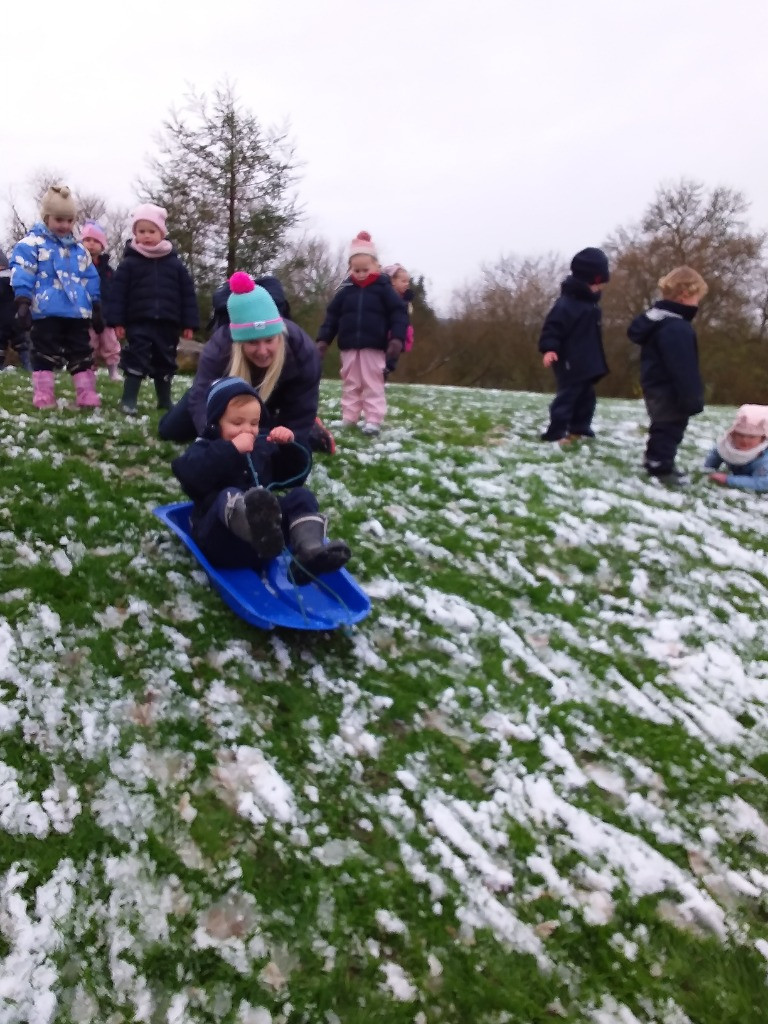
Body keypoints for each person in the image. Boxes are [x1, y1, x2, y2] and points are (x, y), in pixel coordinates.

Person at [171, 376, 351, 583]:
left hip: (269, 545)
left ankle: (310, 552)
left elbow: (293, 476)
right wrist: (231, 449)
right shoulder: (205, 448)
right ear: (214, 423)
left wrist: (288, 447)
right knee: (228, 495)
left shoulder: (261, 444)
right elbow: (189, 474)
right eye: (237, 422)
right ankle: (255, 528)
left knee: (301, 497)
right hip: (220, 540)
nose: (247, 429)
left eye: (254, 423)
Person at [158, 272, 327, 458]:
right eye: (253, 342)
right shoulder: (218, 350)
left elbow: (300, 411)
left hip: (278, 398)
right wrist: (221, 442)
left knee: (275, 441)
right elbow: (201, 399)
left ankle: (314, 429)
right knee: (169, 430)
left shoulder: (304, 352)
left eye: (269, 340)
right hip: (221, 394)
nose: (263, 351)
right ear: (239, 343)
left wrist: (290, 438)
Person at [10, 185, 102, 408]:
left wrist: (96, 304)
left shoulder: (79, 251)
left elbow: (89, 277)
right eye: (59, 220)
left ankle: (86, 394)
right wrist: (23, 300)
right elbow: (23, 271)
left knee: (82, 352)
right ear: (47, 217)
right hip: (46, 310)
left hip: (77, 311)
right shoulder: (32, 245)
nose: (64, 226)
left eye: (69, 221)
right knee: (44, 353)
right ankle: (43, 394)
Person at [106, 203, 199, 415]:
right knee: (136, 358)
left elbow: (187, 295)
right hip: (138, 322)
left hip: (168, 323)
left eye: (151, 231)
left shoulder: (175, 265)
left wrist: (189, 323)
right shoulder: (129, 263)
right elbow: (118, 294)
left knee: (165, 360)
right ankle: (129, 399)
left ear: (161, 233)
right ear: (135, 233)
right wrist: (117, 322)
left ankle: (164, 400)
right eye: (141, 231)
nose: (146, 236)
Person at [316, 230, 408, 436]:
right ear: (350, 269)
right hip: (349, 346)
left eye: (365, 269)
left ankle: (373, 419)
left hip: (374, 346)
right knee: (351, 383)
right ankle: (349, 417)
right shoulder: (345, 292)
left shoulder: (384, 290)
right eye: (356, 270)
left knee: (372, 382)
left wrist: (397, 338)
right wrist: (323, 340)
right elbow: (331, 317)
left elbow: (399, 314)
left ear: (376, 266)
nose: (360, 274)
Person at [627, 266, 708, 485]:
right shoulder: (676, 328)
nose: (697, 304)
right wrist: (692, 396)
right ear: (684, 296)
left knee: (662, 425)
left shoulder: (658, 321)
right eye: (696, 298)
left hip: (655, 385)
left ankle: (656, 460)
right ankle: (660, 465)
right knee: (670, 427)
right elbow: (683, 366)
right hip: (670, 389)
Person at [538, 247, 610, 443]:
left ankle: (580, 428)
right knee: (567, 398)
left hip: (587, 362)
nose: (600, 289)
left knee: (587, 399)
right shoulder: (566, 304)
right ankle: (556, 431)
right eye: (599, 284)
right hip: (570, 361)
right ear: (591, 280)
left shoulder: (591, 305)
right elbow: (552, 328)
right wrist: (549, 348)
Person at [81, 221, 121, 381]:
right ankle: (89, 372)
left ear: (102, 245)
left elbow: (115, 293)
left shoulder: (109, 271)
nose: (91, 244)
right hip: (86, 315)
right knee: (89, 345)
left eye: (95, 241)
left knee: (111, 345)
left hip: (106, 316)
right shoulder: (78, 267)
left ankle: (113, 371)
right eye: (87, 240)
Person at [704, 404, 768, 492]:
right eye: (740, 435)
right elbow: (717, 453)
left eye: (752, 437)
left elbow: (763, 483)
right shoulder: (727, 446)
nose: (745, 440)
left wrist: (728, 480)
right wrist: (709, 468)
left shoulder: (763, 458)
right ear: (733, 434)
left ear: (762, 438)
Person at [0, 247, 31, 370]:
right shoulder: (16, 278)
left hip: (5, 321)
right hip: (18, 318)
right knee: (25, 346)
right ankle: (32, 370)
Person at [381, 263, 415, 378]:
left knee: (392, 357)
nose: (407, 284)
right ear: (393, 281)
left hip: (400, 332)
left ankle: (386, 371)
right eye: (403, 281)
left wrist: (407, 300)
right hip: (387, 333)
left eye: (408, 282)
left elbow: (406, 314)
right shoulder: (387, 296)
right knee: (385, 357)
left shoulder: (404, 298)